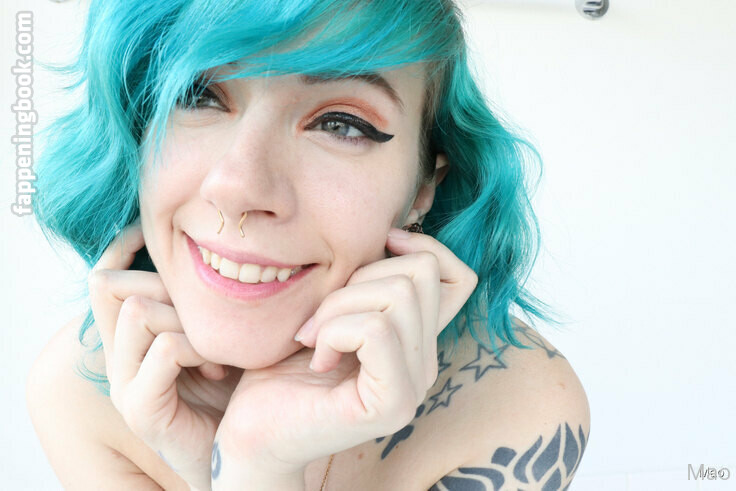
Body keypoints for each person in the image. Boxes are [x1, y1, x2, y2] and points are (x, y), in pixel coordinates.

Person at [26, 0, 590, 489]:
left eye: (341, 124)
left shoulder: (512, 403)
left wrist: (257, 464)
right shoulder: (80, 394)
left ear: (424, 186)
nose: (238, 187)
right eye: (198, 96)